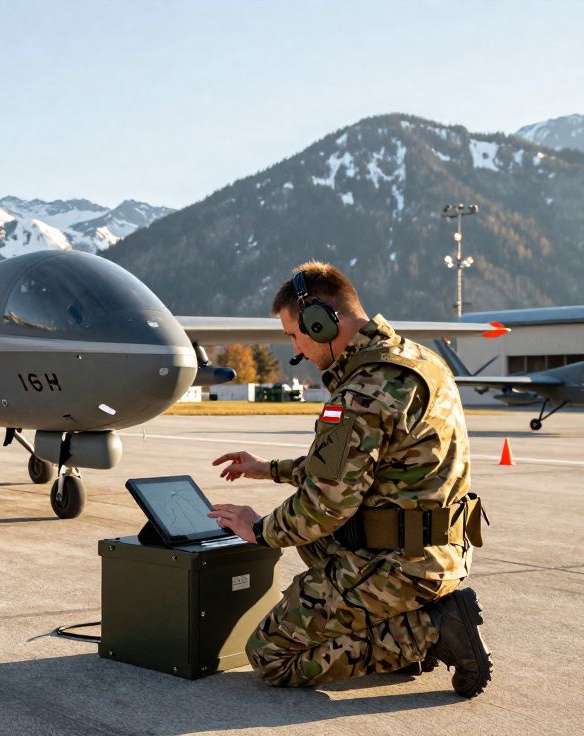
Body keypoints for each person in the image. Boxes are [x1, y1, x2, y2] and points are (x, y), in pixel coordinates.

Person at [206, 261, 492, 698]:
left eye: (294, 335)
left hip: (403, 564)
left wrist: (258, 528)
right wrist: (269, 468)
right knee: (311, 540)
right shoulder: (418, 360)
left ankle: (430, 631)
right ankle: (402, 625)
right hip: (439, 550)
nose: (296, 351)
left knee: (270, 656)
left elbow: (325, 504)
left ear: (318, 322)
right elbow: (353, 468)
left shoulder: (363, 390)